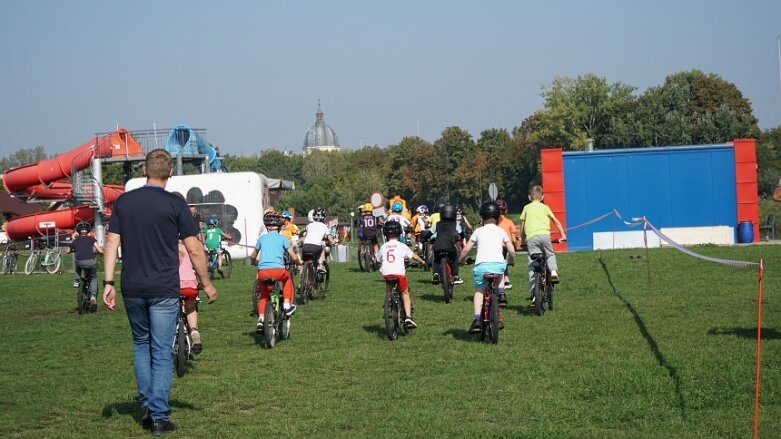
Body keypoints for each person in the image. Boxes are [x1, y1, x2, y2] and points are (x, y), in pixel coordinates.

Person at [102, 149, 217, 436]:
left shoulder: (124, 203)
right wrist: (206, 281)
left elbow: (111, 244)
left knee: (142, 345)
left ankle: (145, 408)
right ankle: (159, 417)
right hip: (164, 288)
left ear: (144, 170)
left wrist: (107, 283)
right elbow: (193, 248)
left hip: (132, 286)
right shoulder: (175, 204)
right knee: (162, 351)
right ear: (169, 173)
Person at [459, 201, 515, 333]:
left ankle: (477, 319)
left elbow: (466, 250)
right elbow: (511, 250)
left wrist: (460, 260)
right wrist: (511, 259)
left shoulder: (478, 231)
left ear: (482, 217)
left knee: (479, 291)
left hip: (481, 266)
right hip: (498, 265)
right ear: (498, 217)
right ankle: (501, 294)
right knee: (501, 270)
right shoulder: (501, 231)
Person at [250, 211, 301, 332]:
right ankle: (287, 304)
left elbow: (253, 256)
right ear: (279, 226)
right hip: (278, 271)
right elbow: (293, 256)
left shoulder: (262, 238)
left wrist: (254, 263)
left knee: (264, 296)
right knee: (287, 278)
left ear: (267, 226)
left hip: (262, 272)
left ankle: (261, 319)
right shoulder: (282, 238)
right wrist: (298, 262)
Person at [519, 185, 567, 304]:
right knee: (550, 255)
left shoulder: (526, 207)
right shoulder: (545, 207)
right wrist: (563, 236)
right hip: (545, 236)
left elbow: (522, 226)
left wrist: (523, 241)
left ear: (529, 197)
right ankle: (554, 272)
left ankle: (533, 294)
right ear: (543, 197)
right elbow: (556, 221)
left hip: (531, 237)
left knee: (532, 264)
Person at [376, 220, 424, 328]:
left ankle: (388, 301)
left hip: (386, 273)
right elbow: (414, 256)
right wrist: (422, 262)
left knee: (389, 288)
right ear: (399, 233)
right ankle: (408, 317)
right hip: (399, 274)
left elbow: (377, 259)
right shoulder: (401, 246)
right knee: (405, 293)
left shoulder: (384, 246)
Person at [64, 221, 104, 308]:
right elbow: (99, 250)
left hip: (80, 262)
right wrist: (102, 252)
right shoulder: (91, 239)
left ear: (78, 231)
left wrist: (73, 241)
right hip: (91, 261)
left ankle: (77, 280)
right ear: (88, 231)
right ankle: (93, 296)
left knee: (78, 263)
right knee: (93, 278)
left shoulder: (75, 241)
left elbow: (67, 250)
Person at [177, 240, 203, 354]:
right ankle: (194, 331)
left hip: (172, 285)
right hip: (190, 284)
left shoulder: (164, 244)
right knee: (191, 308)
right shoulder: (190, 245)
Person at [432, 204, 463, 285]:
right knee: (455, 258)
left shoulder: (437, 224)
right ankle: (456, 276)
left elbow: (430, 232)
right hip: (450, 246)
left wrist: (424, 237)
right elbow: (461, 233)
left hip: (438, 245)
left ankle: (436, 273)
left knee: (436, 258)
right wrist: (460, 237)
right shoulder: (455, 224)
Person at [495, 198, 520, 298]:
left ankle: (500, 282)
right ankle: (506, 281)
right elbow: (513, 238)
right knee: (503, 262)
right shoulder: (509, 221)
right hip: (505, 246)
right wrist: (516, 246)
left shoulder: (492, 222)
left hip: (495, 245)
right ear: (506, 211)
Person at [300, 207, 336, 273]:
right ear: (324, 218)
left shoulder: (310, 225)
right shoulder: (324, 226)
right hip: (315, 248)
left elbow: (302, 231)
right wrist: (334, 242)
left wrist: (299, 233)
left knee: (303, 263)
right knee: (322, 249)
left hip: (305, 247)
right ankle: (320, 265)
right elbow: (330, 238)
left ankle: (300, 281)